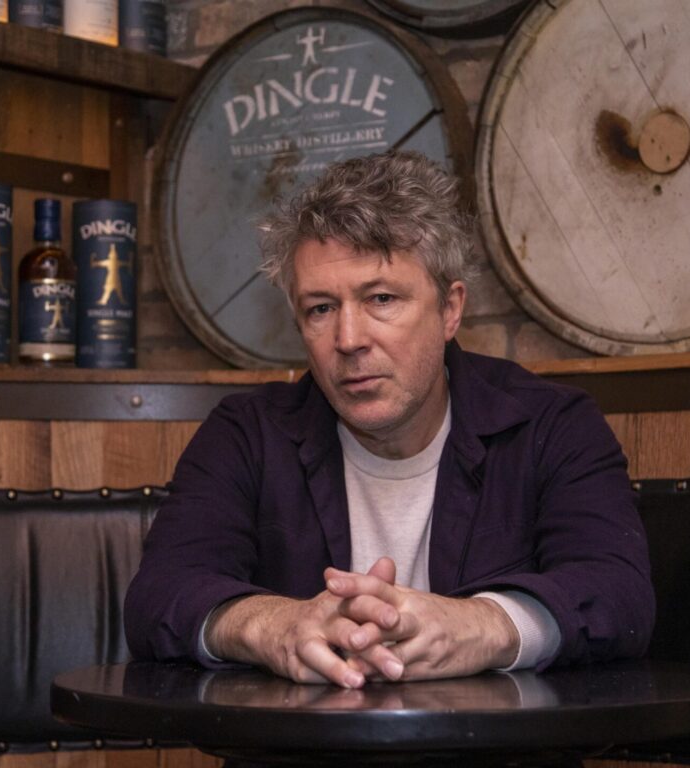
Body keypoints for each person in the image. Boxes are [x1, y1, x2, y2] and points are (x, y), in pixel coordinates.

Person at [124, 151, 653, 688]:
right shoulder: (247, 433)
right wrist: (273, 625)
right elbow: (158, 596)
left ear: (450, 310)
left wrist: (484, 625)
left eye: (380, 298)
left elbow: (618, 593)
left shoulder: (552, 425)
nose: (348, 340)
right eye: (321, 309)